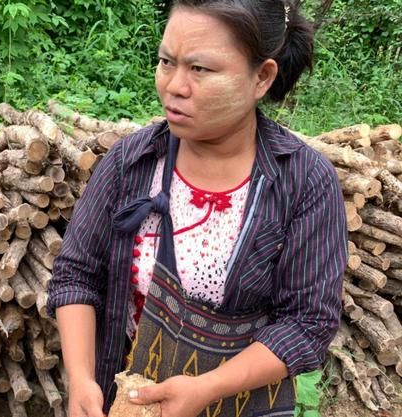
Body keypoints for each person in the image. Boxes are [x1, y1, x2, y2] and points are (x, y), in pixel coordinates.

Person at [47, 1, 348, 417]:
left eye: (200, 70)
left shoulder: (303, 181)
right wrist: (81, 379)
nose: (175, 86)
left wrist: (207, 388)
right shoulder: (132, 163)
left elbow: (306, 324)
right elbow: (77, 275)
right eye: (166, 62)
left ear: (262, 77)